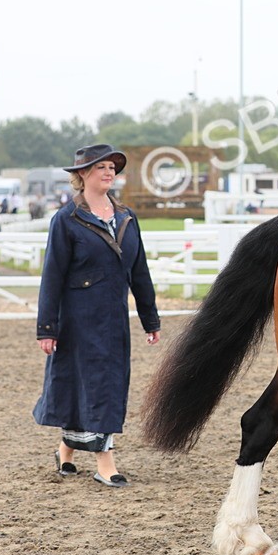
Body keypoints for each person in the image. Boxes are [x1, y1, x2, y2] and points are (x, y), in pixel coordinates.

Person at [33, 144, 161, 488]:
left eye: (112, 167)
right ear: (82, 175)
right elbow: (52, 277)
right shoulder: (66, 219)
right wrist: (47, 328)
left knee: (107, 385)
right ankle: (105, 463)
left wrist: (151, 320)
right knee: (80, 385)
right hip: (76, 320)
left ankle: (66, 449)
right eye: (101, 167)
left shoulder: (127, 217)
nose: (109, 172)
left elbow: (140, 272)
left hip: (114, 321)